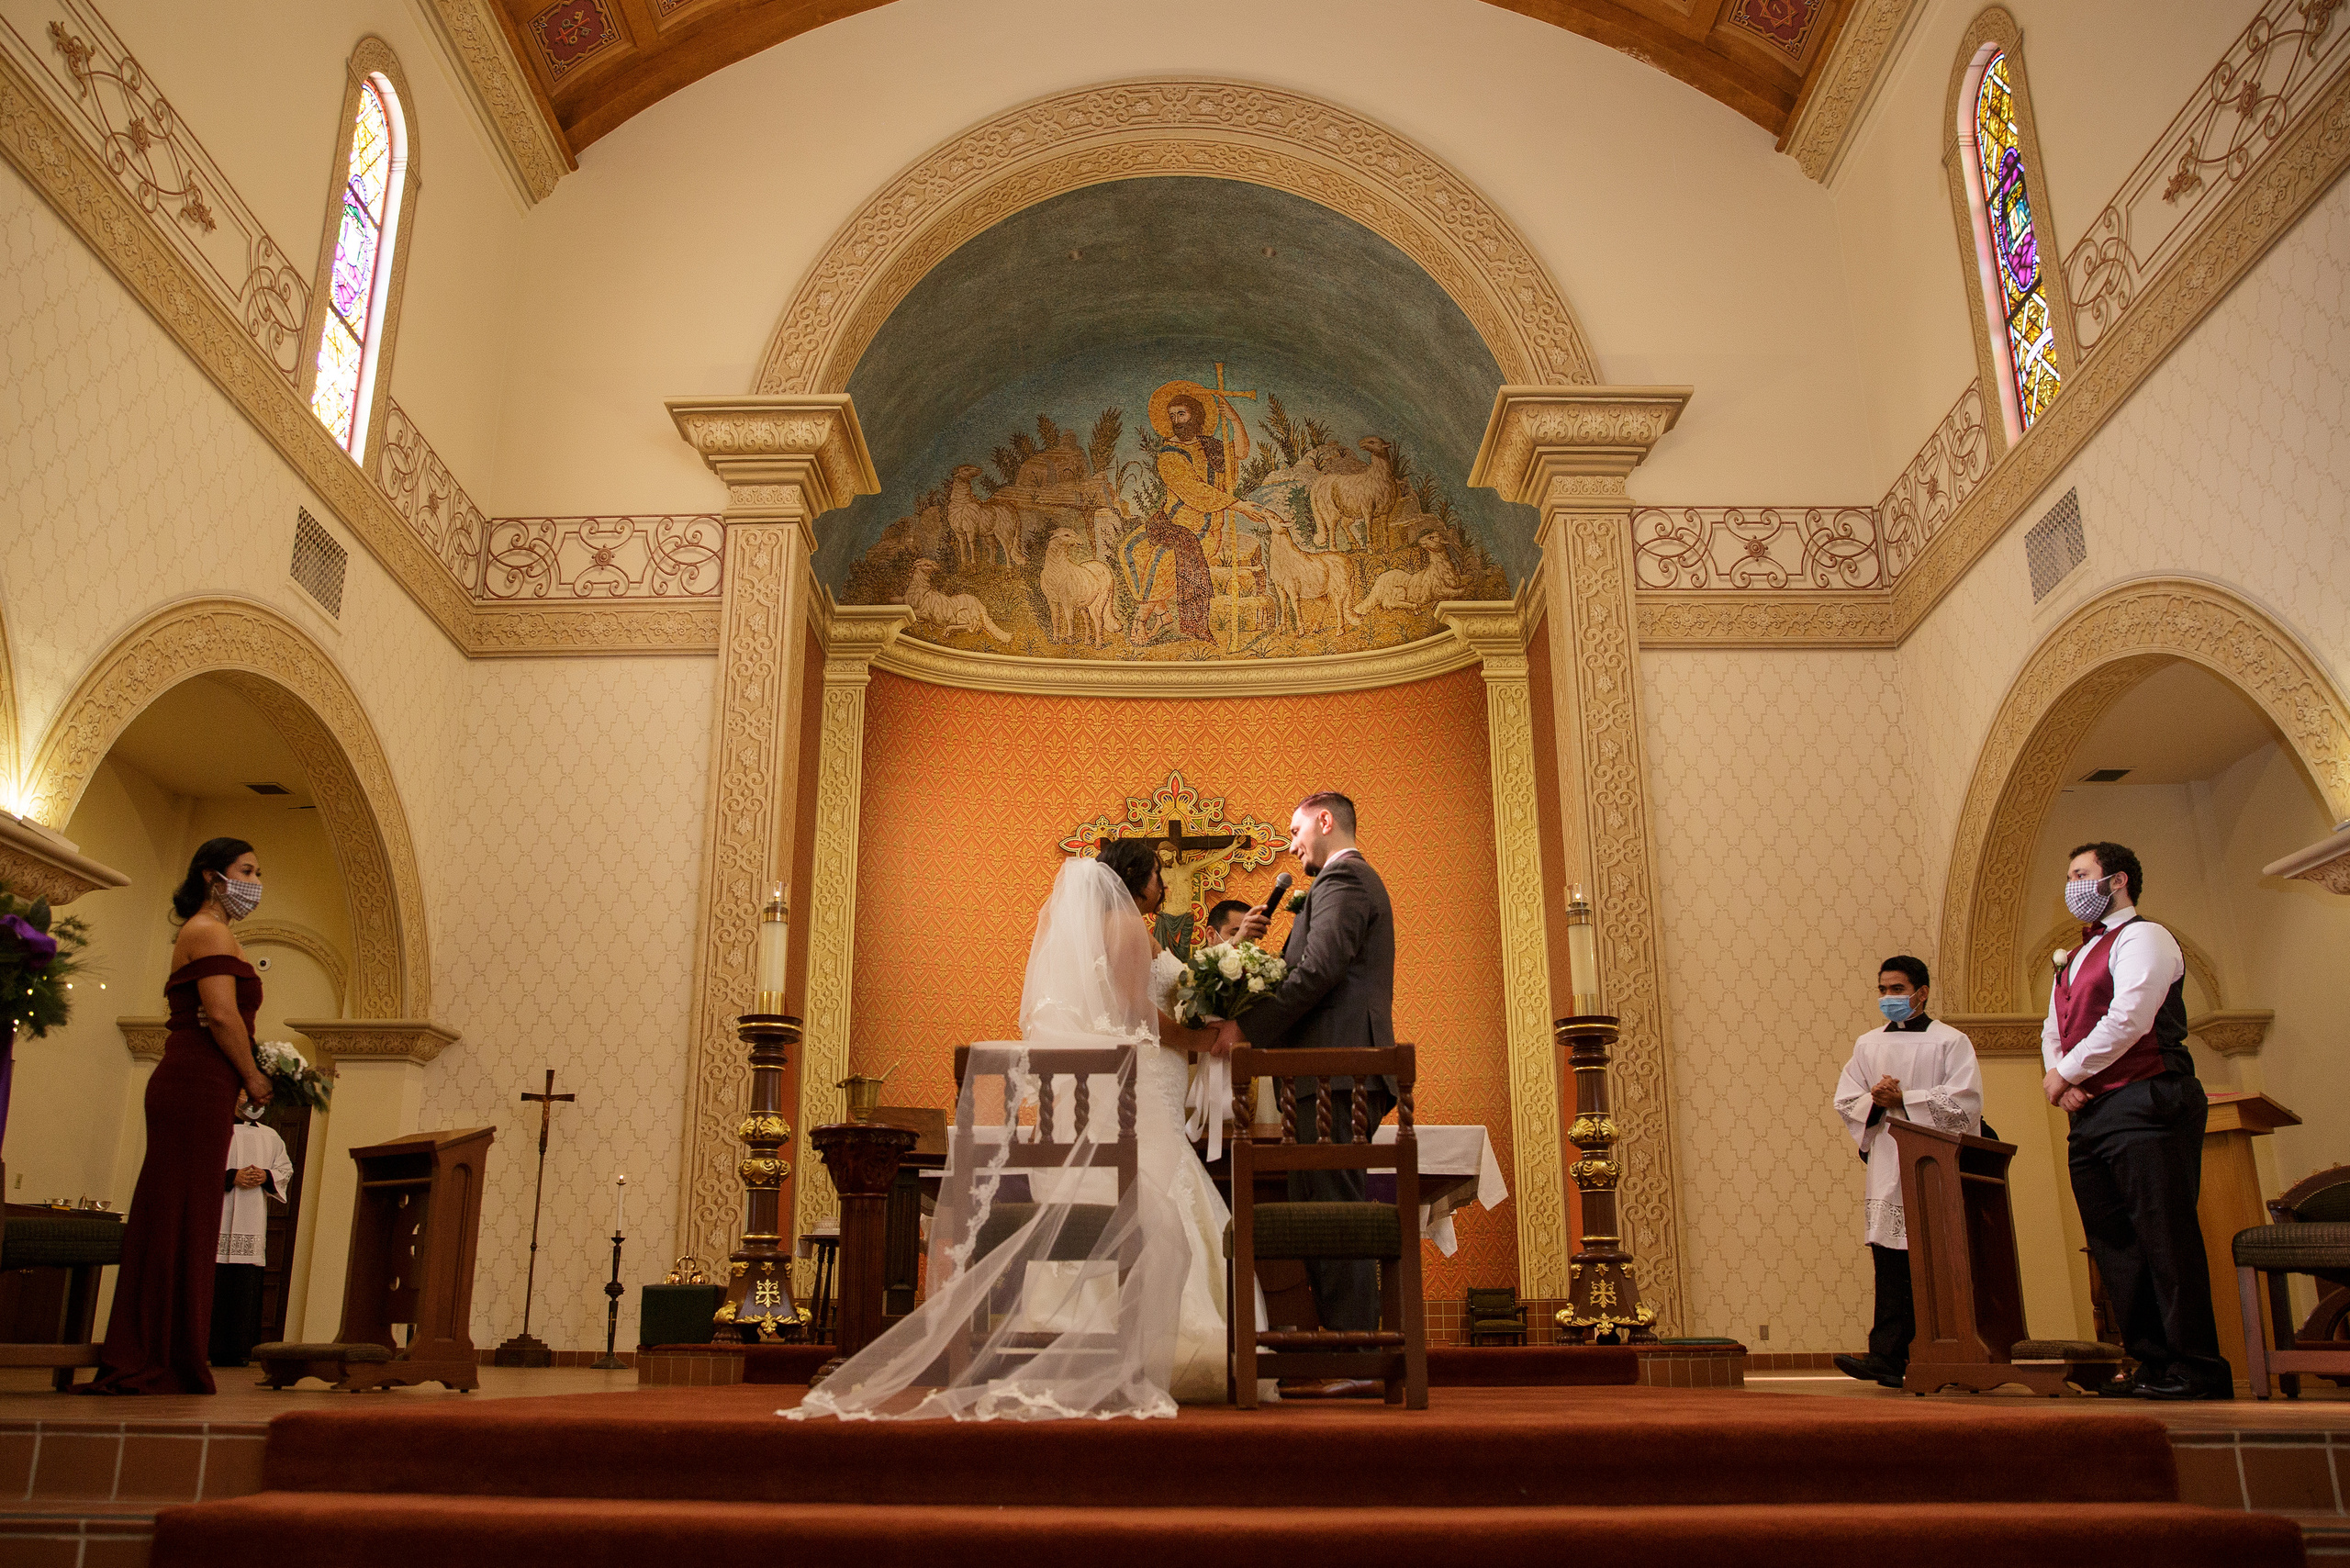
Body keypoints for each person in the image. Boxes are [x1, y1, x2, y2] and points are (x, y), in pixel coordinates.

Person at [789, 848, 1266, 1420]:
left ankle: (1067, 1328)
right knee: (1163, 1198)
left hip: (1112, 1091)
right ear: (1140, 880)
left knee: (1110, 1194)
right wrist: (1199, 1043)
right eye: (1158, 874)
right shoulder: (1128, 928)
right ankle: (1172, 1342)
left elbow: (1145, 998)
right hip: (1141, 1084)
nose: (1164, 883)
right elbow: (1137, 1015)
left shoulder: (1101, 930)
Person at [1219, 790, 1398, 1399]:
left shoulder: (1344, 881)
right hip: (1320, 1077)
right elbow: (1310, 970)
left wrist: (1249, 1027)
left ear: (1326, 822)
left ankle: (1359, 1358)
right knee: (1316, 1207)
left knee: (1337, 1212)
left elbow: (1319, 971)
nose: (1291, 845)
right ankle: (1341, 1351)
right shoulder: (1329, 888)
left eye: (1296, 830)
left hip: (1338, 1073)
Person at [81, 838, 274, 1394]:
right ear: (213, 876)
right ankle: (154, 1350)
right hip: (193, 1079)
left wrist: (237, 1079)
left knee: (190, 1214)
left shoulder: (220, 932)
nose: (255, 881)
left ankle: (170, 1348)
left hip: (207, 1081)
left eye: (259, 872)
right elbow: (219, 1013)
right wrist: (253, 1076)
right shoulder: (208, 930)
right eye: (247, 870)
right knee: (176, 1213)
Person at [2045, 841, 2231, 1400]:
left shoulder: (2144, 937)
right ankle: (2151, 1363)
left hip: (2148, 1100)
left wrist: (2070, 1072)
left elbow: (2131, 1016)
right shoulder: (2075, 957)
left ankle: (2196, 1367)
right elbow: (2055, 1028)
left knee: (2164, 1236)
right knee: (2114, 1244)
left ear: (2117, 880)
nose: (2072, 884)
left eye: (2081, 874)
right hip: (2093, 1114)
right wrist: (2065, 1079)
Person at [1830, 957, 1980, 1389]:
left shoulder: (1951, 1042)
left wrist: (1903, 1098)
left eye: (1897, 989)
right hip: (1886, 1161)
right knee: (1890, 1260)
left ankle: (1941, 1352)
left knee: (1935, 1258)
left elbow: (1965, 1104)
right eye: (1882, 990)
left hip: (1934, 1164)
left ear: (1922, 992)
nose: (1888, 998)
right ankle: (1888, 1356)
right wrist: (1876, 1101)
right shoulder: (1868, 1045)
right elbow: (1847, 1102)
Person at [210, 1092, 294, 1368]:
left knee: (245, 1283)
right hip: (218, 1216)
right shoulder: (217, 1129)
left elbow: (285, 1169)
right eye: (244, 1095)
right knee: (214, 1282)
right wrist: (230, 1176)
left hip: (251, 1217)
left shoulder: (270, 1136)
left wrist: (266, 1176)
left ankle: (240, 1349)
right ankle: (204, 1347)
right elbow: (199, 1166)